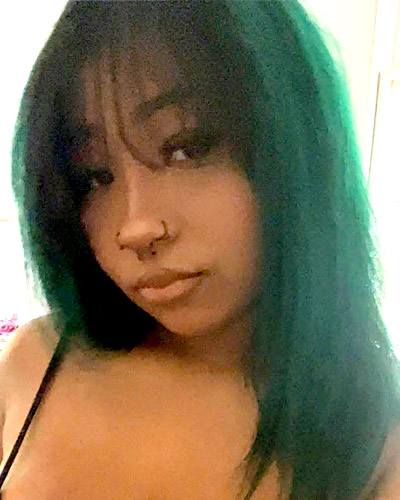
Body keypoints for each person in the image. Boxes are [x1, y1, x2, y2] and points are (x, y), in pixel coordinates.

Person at [0, 1, 399, 498]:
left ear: (297, 144)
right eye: (94, 176)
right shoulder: (35, 361)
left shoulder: (373, 444)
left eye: (187, 148)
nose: (136, 227)